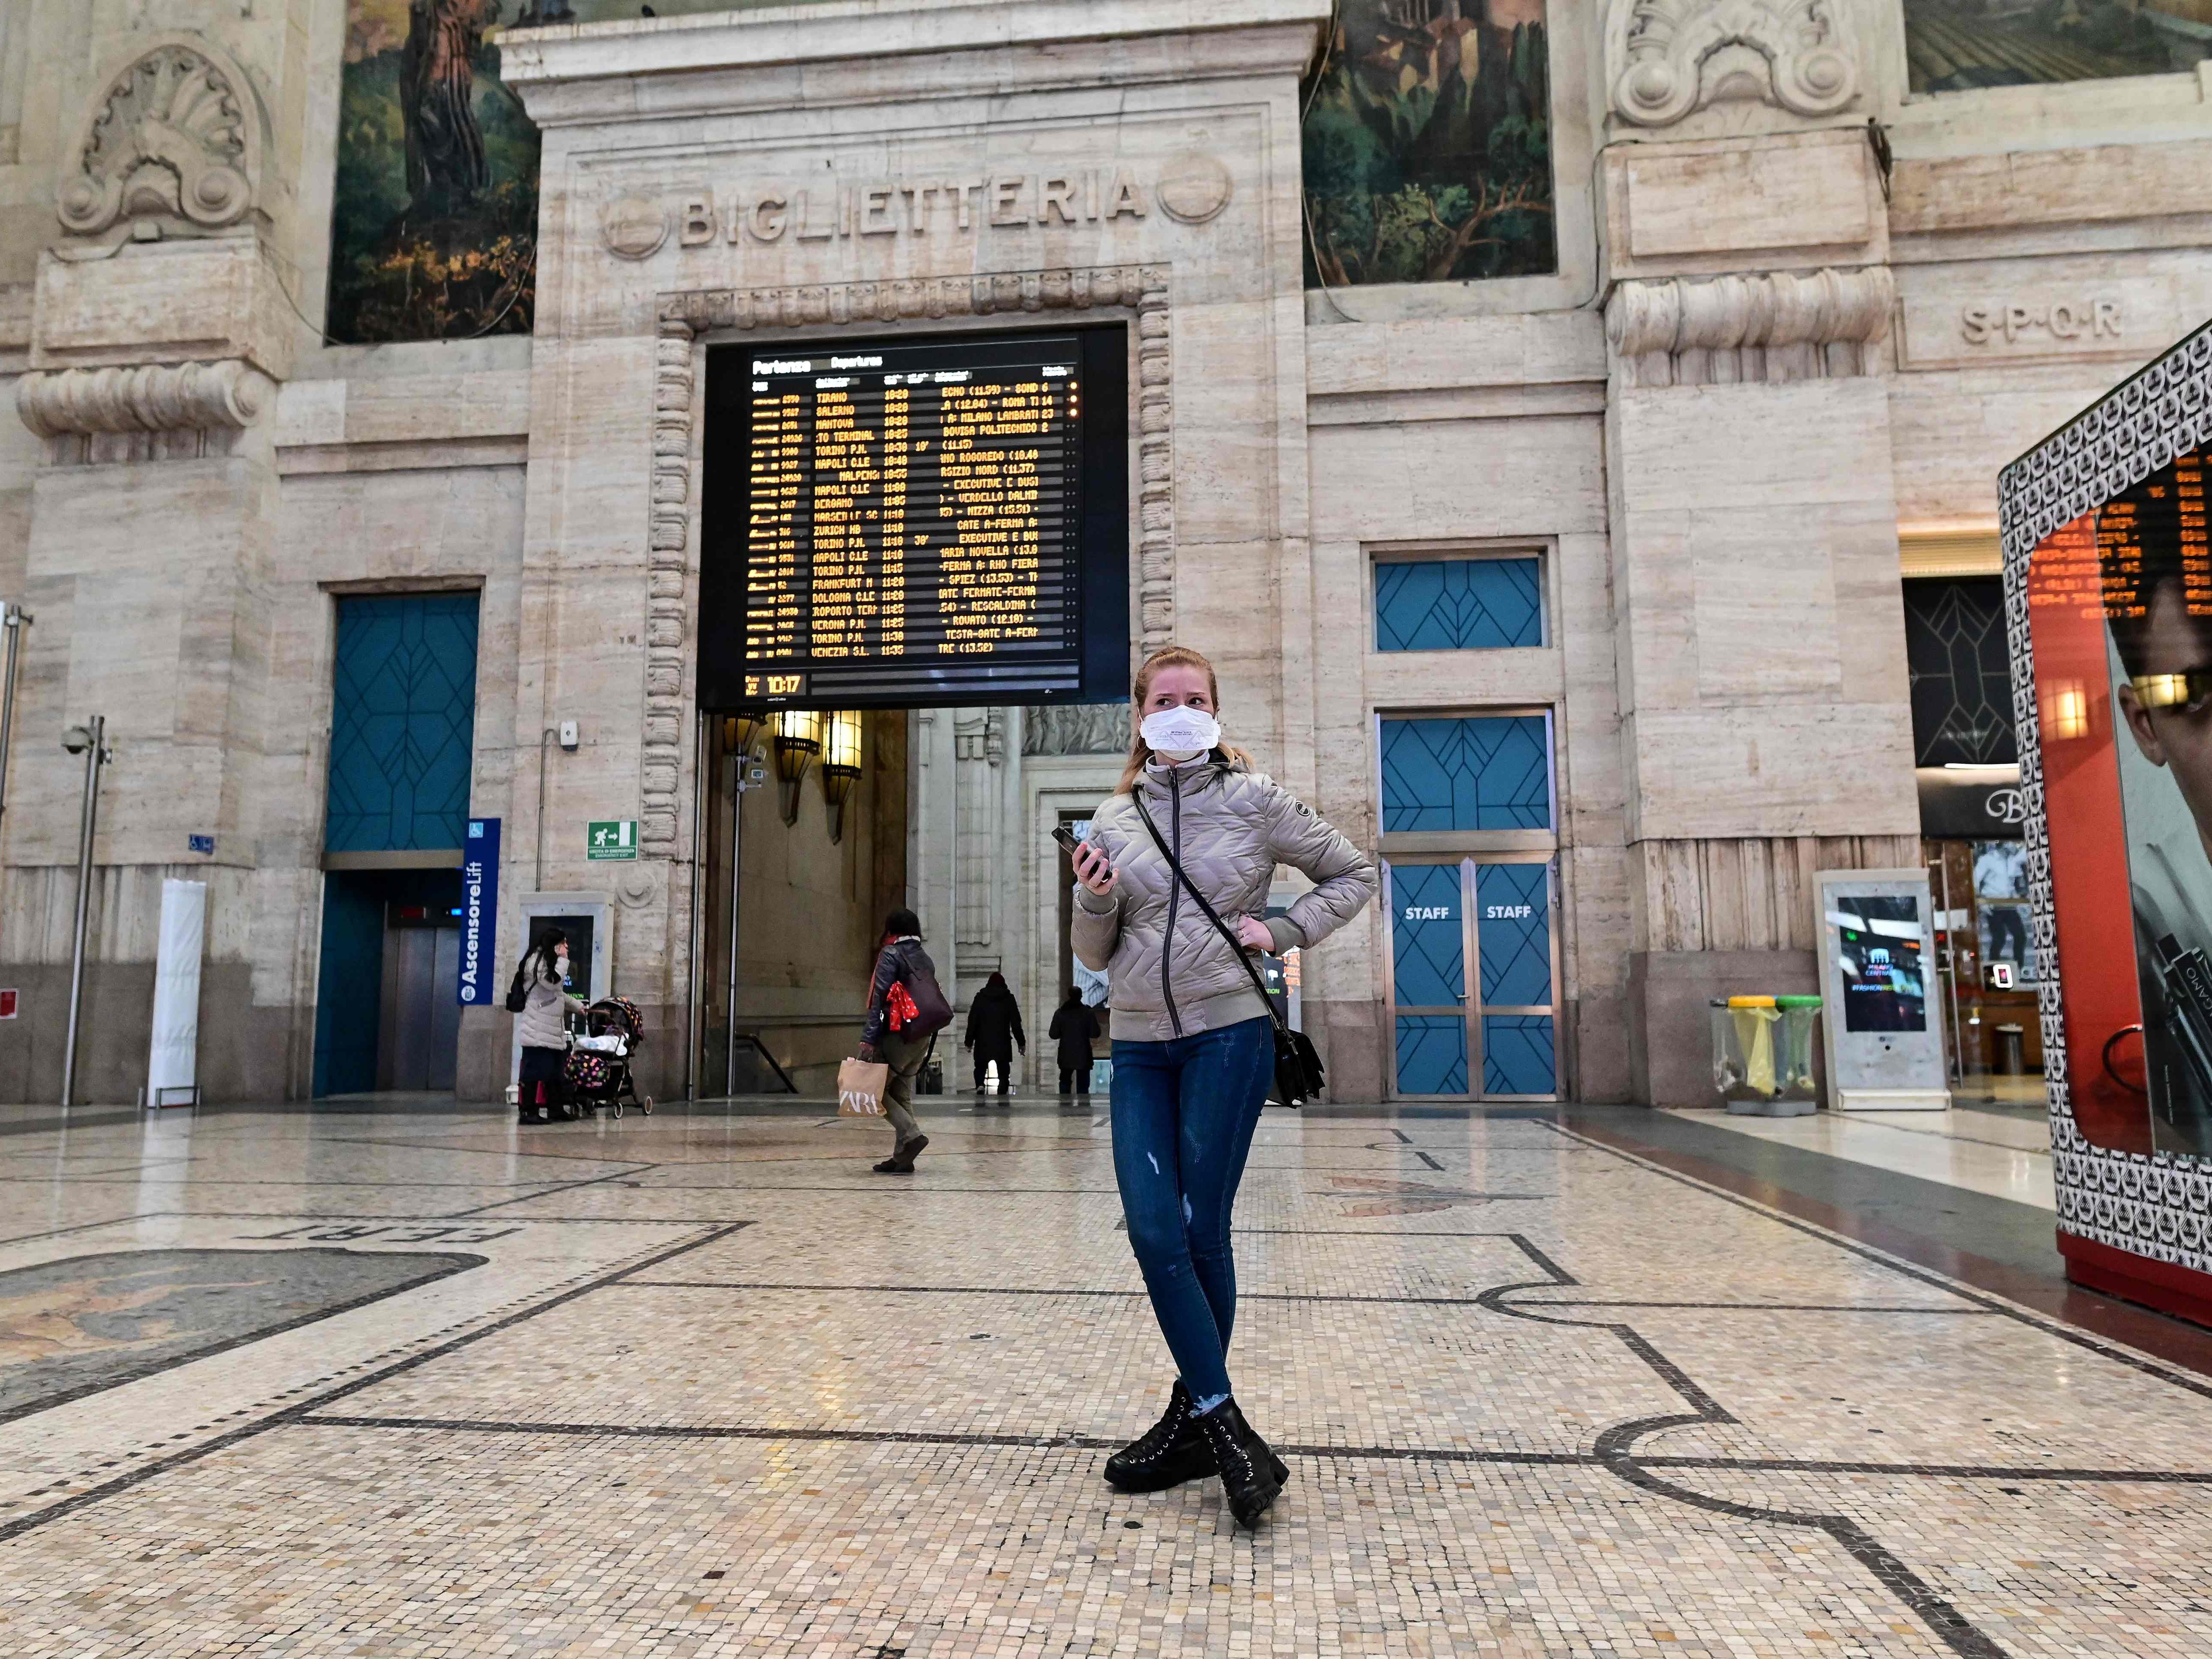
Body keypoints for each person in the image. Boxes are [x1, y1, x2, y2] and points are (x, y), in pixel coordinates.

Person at [1069, 644, 1376, 1528]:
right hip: (1135, 1042)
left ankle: (1194, 1418)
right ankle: (1217, 1418)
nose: (1177, 709)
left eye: (1192, 697)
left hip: (1226, 1035)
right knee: (1152, 1226)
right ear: (1139, 714)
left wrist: (1280, 926)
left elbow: (1351, 872)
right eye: (1162, 698)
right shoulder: (1113, 815)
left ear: (1213, 711)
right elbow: (1093, 952)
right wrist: (1092, 898)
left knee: (1203, 1227)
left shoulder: (1254, 798)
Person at [857, 908, 938, 1173]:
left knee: (872, 1091)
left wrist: (869, 1040)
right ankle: (903, 1158)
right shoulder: (924, 957)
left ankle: (912, 1135)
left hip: (896, 1037)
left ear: (891, 930)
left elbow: (880, 998)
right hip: (920, 1035)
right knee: (900, 1094)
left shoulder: (891, 954)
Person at [513, 929, 584, 1123]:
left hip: (551, 1028)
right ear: (555, 945)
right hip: (537, 1028)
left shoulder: (546, 961)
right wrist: (563, 959)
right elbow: (552, 984)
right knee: (535, 1071)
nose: (567, 947)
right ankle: (528, 1112)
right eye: (564, 943)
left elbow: (557, 994)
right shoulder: (536, 962)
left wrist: (578, 1007)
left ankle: (556, 1109)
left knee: (554, 1072)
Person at [963, 971, 1026, 1095]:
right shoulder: (1009, 998)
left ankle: (980, 1084)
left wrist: (969, 1042)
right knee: (1003, 1070)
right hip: (1002, 1041)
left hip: (983, 1040)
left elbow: (973, 1020)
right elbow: (1016, 1023)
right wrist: (1021, 1043)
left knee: (980, 1067)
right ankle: (1002, 1090)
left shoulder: (980, 998)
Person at [1048, 986, 1102, 1096]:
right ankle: (1083, 1109)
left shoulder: (1061, 1013)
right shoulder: (1088, 1013)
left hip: (1066, 1053)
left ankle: (1064, 1107)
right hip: (1083, 1053)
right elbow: (1096, 1033)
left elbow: (1053, 1035)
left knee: (1065, 1082)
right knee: (1083, 1085)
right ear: (1081, 997)